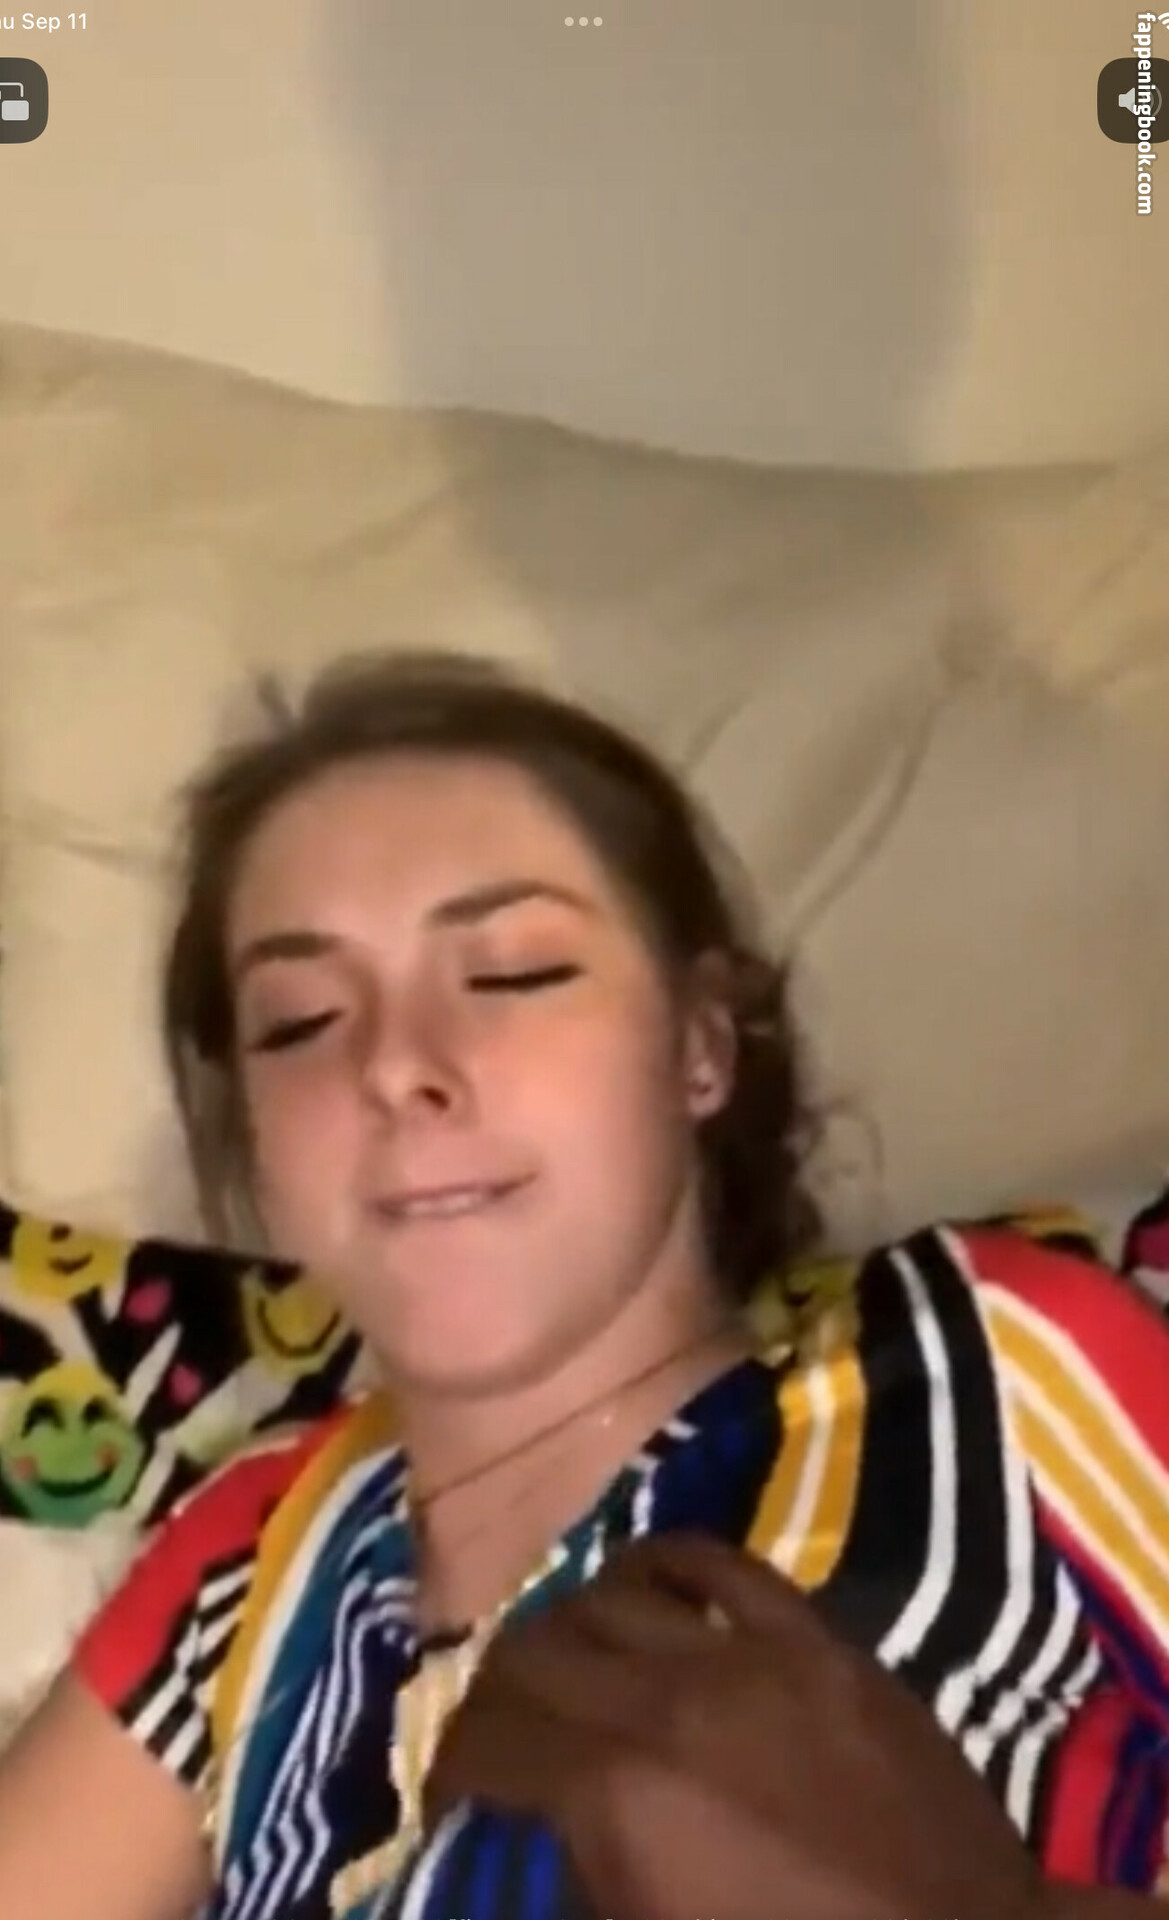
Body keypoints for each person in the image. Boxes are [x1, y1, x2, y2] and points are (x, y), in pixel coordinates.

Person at [0, 649, 1166, 1920]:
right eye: (299, 1022)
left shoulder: (989, 1369)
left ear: (700, 1045)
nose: (393, 1066)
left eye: (512, 972)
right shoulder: (249, 1553)